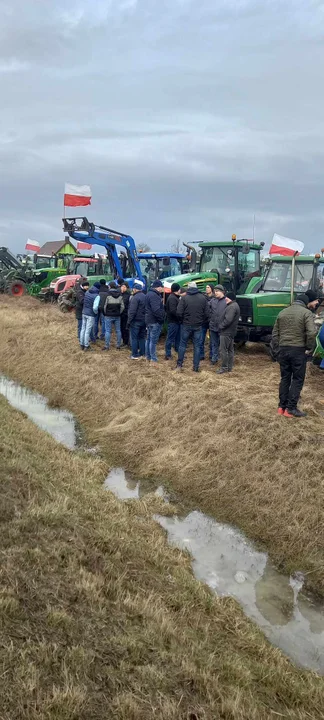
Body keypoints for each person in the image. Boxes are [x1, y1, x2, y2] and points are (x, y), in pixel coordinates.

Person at [271, 291, 319, 417]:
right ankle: (291, 408)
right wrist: (309, 347)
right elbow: (312, 332)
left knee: (285, 378)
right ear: (305, 302)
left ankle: (281, 407)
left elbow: (275, 333)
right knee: (297, 379)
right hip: (298, 350)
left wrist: (277, 349)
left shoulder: (283, 312)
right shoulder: (306, 313)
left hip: (283, 349)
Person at [176, 281, 210, 372]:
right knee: (197, 346)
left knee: (182, 344)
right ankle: (196, 367)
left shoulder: (184, 298)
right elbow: (207, 313)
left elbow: (179, 312)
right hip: (198, 325)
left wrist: (183, 320)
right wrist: (201, 321)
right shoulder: (203, 298)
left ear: (188, 288)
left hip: (186, 325)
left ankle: (179, 365)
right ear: (196, 287)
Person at [217, 291, 240, 375]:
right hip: (231, 332)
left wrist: (220, 326)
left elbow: (228, 320)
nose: (225, 298)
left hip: (226, 332)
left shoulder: (232, 307)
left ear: (231, 298)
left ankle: (224, 368)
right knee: (230, 350)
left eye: (227, 297)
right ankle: (229, 367)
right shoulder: (234, 305)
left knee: (223, 350)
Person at [100, 281, 124, 350]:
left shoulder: (107, 295)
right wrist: (119, 313)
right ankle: (118, 345)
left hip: (108, 315)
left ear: (109, 287)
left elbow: (104, 306)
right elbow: (122, 306)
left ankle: (107, 346)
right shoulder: (120, 295)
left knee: (108, 331)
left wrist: (105, 313)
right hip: (117, 315)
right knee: (118, 330)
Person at [145, 279, 165, 363]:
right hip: (155, 321)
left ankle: (148, 356)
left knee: (149, 339)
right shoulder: (155, 296)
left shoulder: (148, 294)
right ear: (158, 287)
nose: (162, 289)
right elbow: (156, 310)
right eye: (161, 287)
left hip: (149, 320)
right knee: (153, 341)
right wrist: (161, 319)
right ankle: (153, 358)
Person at [209, 285, 227, 365]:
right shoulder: (212, 301)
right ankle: (214, 358)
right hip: (213, 326)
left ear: (222, 292)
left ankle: (224, 360)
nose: (215, 293)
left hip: (223, 327)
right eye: (215, 291)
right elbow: (207, 309)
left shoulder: (226, 301)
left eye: (217, 291)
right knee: (213, 343)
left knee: (223, 345)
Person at [128, 282, 146, 359]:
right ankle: (142, 353)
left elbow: (132, 311)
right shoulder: (145, 296)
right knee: (142, 337)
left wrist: (129, 321)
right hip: (144, 320)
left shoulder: (135, 298)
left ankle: (135, 354)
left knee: (134, 338)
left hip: (135, 321)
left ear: (135, 289)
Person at [80, 283, 100, 351]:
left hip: (84, 312)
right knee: (88, 331)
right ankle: (86, 345)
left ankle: (82, 344)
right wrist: (96, 313)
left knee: (83, 329)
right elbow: (95, 307)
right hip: (90, 315)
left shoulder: (87, 292)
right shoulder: (97, 296)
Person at [165, 283, 181, 360]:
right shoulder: (172, 298)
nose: (180, 290)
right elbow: (173, 311)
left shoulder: (175, 297)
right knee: (170, 338)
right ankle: (168, 354)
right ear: (177, 290)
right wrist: (180, 315)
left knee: (178, 338)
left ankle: (178, 352)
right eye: (179, 289)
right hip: (173, 322)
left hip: (176, 322)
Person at [200, 283, 215, 361]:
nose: (207, 289)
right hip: (204, 321)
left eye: (208, 287)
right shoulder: (203, 298)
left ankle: (212, 355)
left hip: (212, 321)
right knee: (201, 339)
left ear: (211, 289)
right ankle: (201, 355)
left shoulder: (215, 298)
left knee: (212, 340)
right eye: (206, 287)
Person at [120, 281, 131, 347]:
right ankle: (124, 341)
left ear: (127, 288)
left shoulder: (128, 295)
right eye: (122, 286)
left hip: (126, 314)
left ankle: (126, 342)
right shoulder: (121, 294)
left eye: (124, 287)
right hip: (122, 314)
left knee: (125, 329)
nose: (122, 288)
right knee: (122, 329)